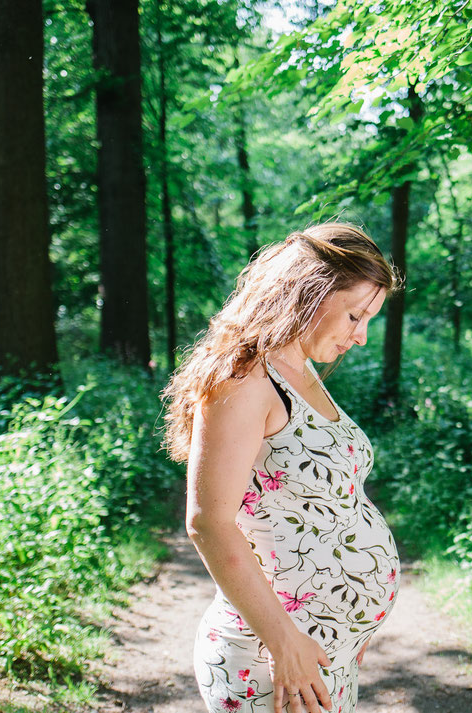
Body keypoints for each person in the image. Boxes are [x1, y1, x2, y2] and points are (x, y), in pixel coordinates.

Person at [161, 223, 402, 713]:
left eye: (370, 319)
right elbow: (208, 522)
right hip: (274, 655)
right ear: (308, 291)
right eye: (356, 315)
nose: (360, 337)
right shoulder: (244, 377)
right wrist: (284, 643)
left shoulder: (299, 366)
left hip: (324, 653)